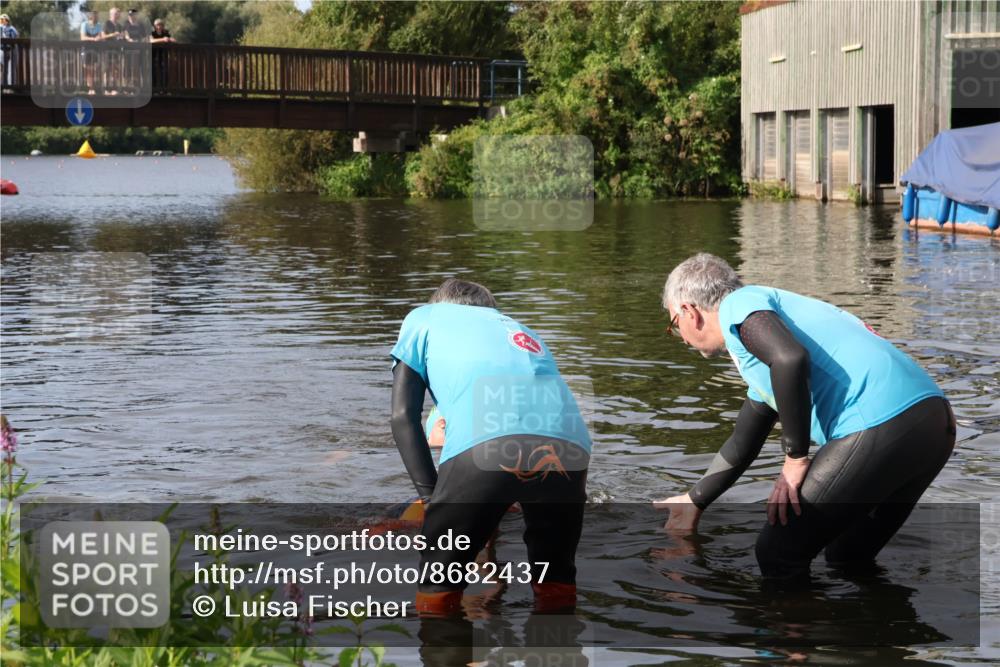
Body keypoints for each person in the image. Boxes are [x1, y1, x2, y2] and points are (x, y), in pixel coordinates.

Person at [655, 253, 955, 580]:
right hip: (934, 423)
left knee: (777, 553)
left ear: (689, 311)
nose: (681, 338)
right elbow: (744, 440)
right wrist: (694, 500)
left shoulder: (738, 305)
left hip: (881, 422)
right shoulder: (763, 344)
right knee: (846, 556)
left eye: (673, 325)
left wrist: (795, 457)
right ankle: (878, 629)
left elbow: (790, 359)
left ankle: (794, 631)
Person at [390, 278, 591, 615]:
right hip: (571, 446)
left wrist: (431, 499)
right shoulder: (518, 329)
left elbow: (402, 417)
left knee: (438, 588)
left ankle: (441, 640)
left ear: (440, 303)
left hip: (485, 447)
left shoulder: (422, 317)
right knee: (556, 583)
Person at [79, 11, 103, 94]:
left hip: (95, 50)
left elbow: (100, 36)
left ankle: (93, 87)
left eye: (97, 16)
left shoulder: (99, 25)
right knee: (87, 68)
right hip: (86, 49)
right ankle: (90, 87)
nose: (97, 18)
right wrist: (93, 39)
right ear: (91, 17)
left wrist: (99, 38)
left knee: (94, 69)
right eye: (95, 16)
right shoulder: (84, 24)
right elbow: (82, 37)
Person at [149, 18, 174, 89]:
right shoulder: (152, 33)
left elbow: (171, 39)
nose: (159, 27)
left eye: (160, 25)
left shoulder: (165, 33)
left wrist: (170, 40)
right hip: (153, 55)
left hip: (163, 55)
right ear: (154, 26)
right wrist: (163, 39)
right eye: (157, 25)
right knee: (153, 72)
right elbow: (151, 40)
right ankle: (154, 88)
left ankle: (164, 88)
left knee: (164, 72)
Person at [0, 14, 18, 90]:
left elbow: (15, 36)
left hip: (8, 50)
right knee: (1, 67)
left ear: (7, 21)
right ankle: (2, 84)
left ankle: (7, 85)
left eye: (3, 20)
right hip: (1, 49)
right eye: (1, 20)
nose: (2, 21)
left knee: (8, 68)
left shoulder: (11, 28)